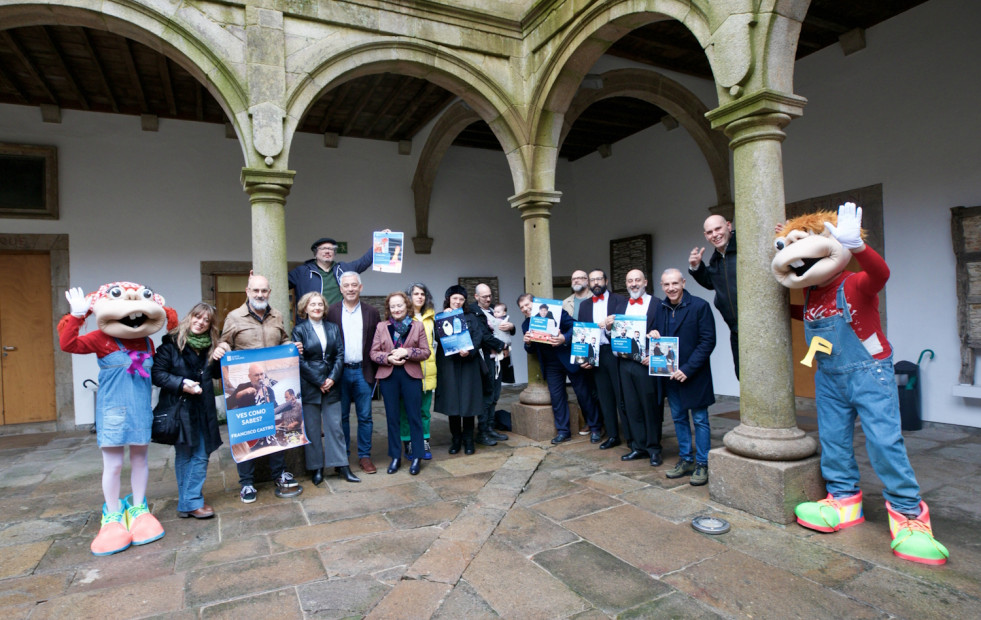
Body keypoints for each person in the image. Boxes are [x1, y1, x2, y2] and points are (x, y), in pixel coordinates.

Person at [772, 203, 947, 565]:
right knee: (833, 441)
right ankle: (843, 500)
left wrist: (859, 249)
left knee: (884, 441)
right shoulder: (809, 294)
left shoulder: (854, 281)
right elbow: (803, 314)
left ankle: (909, 515)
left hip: (870, 372)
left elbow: (880, 276)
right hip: (830, 377)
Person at [59, 281, 171, 555]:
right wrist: (76, 316)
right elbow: (68, 344)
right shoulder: (100, 338)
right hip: (112, 411)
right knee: (113, 465)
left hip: (140, 408)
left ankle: (139, 507)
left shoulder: (148, 341)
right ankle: (112, 514)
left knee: (140, 459)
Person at [212, 273, 302, 503]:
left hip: (268, 384)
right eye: (256, 291)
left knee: (273, 428)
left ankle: (279, 474)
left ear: (269, 292)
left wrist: (290, 346)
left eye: (264, 291)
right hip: (247, 387)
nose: (260, 295)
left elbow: (282, 340)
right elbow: (226, 343)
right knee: (247, 431)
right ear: (247, 291)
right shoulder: (234, 317)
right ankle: (247, 483)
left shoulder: (277, 316)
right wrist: (222, 347)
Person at [151, 302, 223, 519]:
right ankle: (192, 502)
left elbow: (218, 374)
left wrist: (221, 353)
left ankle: (186, 502)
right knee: (191, 455)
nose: (200, 322)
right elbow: (157, 374)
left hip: (204, 408)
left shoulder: (210, 346)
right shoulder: (171, 345)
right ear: (189, 317)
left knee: (199, 453)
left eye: (206, 320)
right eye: (197, 317)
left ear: (210, 325)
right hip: (180, 408)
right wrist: (182, 383)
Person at [651, 268, 716, 486]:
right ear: (662, 286)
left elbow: (708, 342)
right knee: (678, 418)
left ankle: (702, 464)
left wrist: (687, 369)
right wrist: (654, 334)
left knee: (700, 420)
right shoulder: (660, 308)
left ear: (684, 283)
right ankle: (686, 459)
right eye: (666, 284)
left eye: (675, 283)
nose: (671, 288)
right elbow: (655, 333)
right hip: (670, 376)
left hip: (694, 375)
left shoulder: (700, 306)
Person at [291, 292, 359, 485]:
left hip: (332, 383)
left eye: (320, 304)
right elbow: (300, 360)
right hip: (310, 384)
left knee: (335, 427)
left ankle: (342, 466)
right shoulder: (299, 330)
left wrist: (331, 378)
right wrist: (319, 380)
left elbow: (339, 354)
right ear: (305, 308)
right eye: (312, 305)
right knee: (312, 430)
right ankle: (316, 469)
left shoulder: (333, 328)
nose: (317, 308)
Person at [518, 293, 601, 444]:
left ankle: (595, 427)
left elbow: (576, 326)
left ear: (535, 304)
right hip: (551, 365)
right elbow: (531, 351)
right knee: (557, 397)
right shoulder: (526, 325)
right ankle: (563, 431)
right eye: (522, 307)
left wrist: (564, 338)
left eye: (527, 305)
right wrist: (528, 343)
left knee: (583, 394)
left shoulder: (558, 313)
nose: (525, 309)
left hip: (570, 358)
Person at [370, 291, 431, 475]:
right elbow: (373, 353)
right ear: (389, 309)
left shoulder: (417, 326)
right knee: (392, 418)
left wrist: (407, 353)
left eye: (400, 305)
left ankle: (417, 456)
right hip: (389, 377)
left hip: (410, 376)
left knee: (414, 417)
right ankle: (395, 456)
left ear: (407, 306)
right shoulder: (382, 326)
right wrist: (388, 357)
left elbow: (425, 352)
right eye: (393, 306)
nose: (396, 309)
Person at [326, 271, 380, 474]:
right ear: (341, 288)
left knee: (365, 417)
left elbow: (377, 342)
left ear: (361, 287)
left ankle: (365, 456)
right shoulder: (331, 312)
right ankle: (344, 456)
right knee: (342, 417)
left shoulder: (371, 312)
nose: (350, 288)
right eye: (346, 285)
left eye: (354, 285)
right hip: (340, 373)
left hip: (363, 371)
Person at [435, 285, 498, 455]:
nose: (457, 302)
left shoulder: (471, 316)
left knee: (469, 403)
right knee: (453, 403)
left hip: (469, 364)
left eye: (461, 299)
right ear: (448, 299)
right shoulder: (441, 316)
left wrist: (469, 350)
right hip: (449, 365)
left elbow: (478, 337)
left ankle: (469, 440)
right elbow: (436, 337)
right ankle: (456, 439)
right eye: (454, 298)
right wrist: (445, 317)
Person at [615, 269, 664, 467]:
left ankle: (654, 449)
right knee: (632, 406)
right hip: (625, 363)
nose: (634, 284)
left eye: (637, 280)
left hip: (646, 363)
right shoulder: (620, 305)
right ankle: (638, 447)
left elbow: (664, 333)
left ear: (645, 282)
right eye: (630, 281)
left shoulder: (658, 304)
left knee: (650, 406)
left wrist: (654, 353)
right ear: (626, 284)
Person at [577, 269, 628, 449]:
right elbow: (583, 334)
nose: (596, 282)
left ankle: (630, 436)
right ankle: (613, 436)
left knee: (622, 395)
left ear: (606, 280)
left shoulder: (620, 301)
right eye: (592, 280)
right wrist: (586, 357)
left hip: (616, 353)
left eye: (599, 279)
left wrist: (608, 328)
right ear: (588, 283)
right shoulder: (584, 306)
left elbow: (626, 330)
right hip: (596, 355)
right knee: (604, 397)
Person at [288, 230, 390, 318]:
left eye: (331, 249)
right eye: (323, 249)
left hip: (337, 320)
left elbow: (364, 261)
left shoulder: (343, 269)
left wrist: (380, 241)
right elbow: (280, 285)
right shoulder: (302, 271)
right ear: (315, 253)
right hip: (311, 321)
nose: (328, 251)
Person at [688, 214, 738, 377]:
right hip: (735, 329)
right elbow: (711, 283)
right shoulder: (717, 258)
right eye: (710, 232)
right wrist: (697, 267)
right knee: (743, 374)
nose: (715, 235)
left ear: (728, 226)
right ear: (705, 236)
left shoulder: (744, 246)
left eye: (718, 229)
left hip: (758, 326)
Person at [399, 283, 437, 460]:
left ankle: (424, 440)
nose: (420, 297)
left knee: (424, 410)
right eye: (416, 294)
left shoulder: (431, 318)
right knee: (407, 410)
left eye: (423, 294)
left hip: (428, 370)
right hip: (409, 370)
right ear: (409, 297)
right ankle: (409, 442)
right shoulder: (402, 318)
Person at [470, 283, 511, 446]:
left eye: (489, 296)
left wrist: (512, 327)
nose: (488, 299)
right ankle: (482, 432)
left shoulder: (495, 309)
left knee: (495, 395)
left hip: (498, 360)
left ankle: (490, 428)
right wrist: (503, 346)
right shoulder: (474, 312)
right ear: (476, 297)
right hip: (485, 360)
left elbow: (506, 327)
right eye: (484, 296)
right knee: (486, 397)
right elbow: (483, 336)